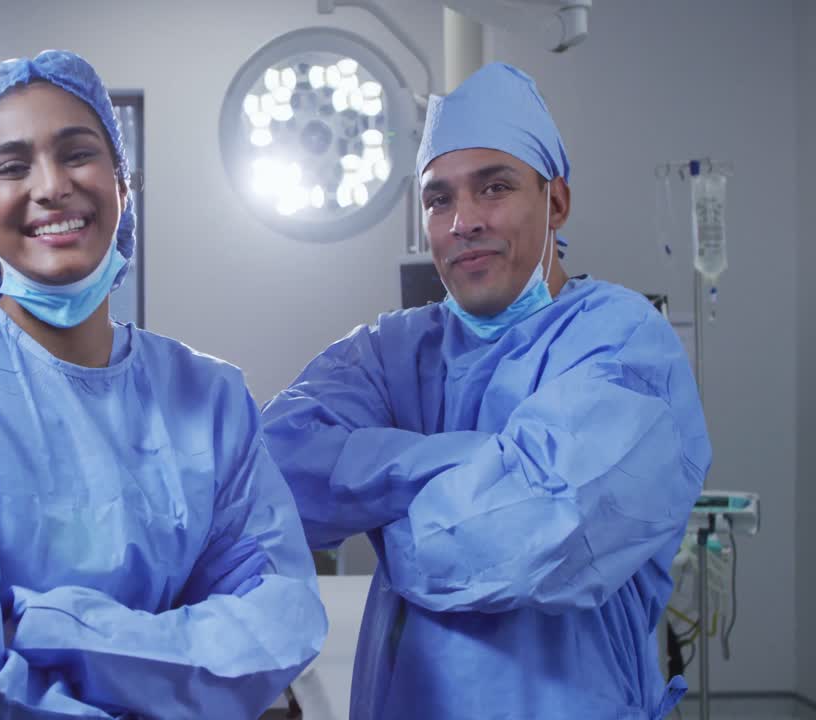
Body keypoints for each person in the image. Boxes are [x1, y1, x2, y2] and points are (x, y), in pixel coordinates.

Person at [0, 50, 326, 719]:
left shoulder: (210, 399)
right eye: (12, 166)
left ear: (122, 184)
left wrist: (38, 626)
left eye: (77, 153)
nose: (50, 186)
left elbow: (272, 625)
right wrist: (163, 662)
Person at [261, 62, 710, 719]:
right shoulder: (394, 350)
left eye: (493, 187)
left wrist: (373, 496)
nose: (462, 220)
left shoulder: (626, 344)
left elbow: (519, 541)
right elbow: (276, 471)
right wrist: (483, 462)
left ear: (555, 202)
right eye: (439, 198)